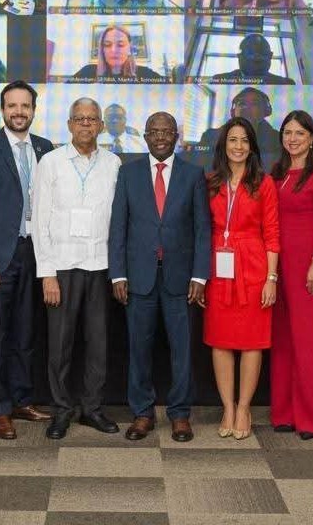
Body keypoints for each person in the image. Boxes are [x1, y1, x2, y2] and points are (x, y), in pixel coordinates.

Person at [109, 112, 211, 442]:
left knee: (182, 351)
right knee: (139, 349)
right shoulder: (128, 173)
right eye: (154, 131)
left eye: (167, 131)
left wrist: (200, 276)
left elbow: (202, 230)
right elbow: (118, 227)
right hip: (138, 278)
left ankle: (180, 414)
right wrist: (117, 274)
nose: (160, 137)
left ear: (176, 136)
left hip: (181, 279)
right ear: (145, 137)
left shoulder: (193, 174)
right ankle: (142, 413)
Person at [0, 81, 54, 440]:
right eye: (12, 106)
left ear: (33, 110)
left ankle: (21, 400)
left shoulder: (46, 149)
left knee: (25, 333)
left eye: (25, 106)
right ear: (2, 110)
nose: (19, 112)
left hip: (35, 253)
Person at [32, 98, 121, 439]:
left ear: (101, 126)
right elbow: (40, 220)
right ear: (69, 124)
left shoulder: (113, 163)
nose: (86, 124)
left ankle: (92, 409)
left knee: (98, 343)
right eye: (79, 119)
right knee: (60, 344)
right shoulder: (51, 163)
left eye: (92, 119)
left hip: (100, 265)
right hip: (62, 267)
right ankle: (61, 409)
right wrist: (47, 273)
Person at [203, 117, 278, 440]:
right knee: (220, 340)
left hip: (253, 267)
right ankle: (228, 407)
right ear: (223, 145)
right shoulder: (210, 182)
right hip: (217, 268)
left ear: (252, 147)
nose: (238, 146)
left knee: (251, 341)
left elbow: (272, 233)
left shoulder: (264, 183)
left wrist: (271, 278)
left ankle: (245, 407)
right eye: (233, 140)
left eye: (244, 140)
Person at [270, 110, 313, 440]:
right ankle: (285, 413)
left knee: (311, 343)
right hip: (279, 267)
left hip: (310, 267)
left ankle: (312, 419)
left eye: (300, 133)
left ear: (312, 137)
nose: (293, 138)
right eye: (288, 132)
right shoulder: (278, 171)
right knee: (284, 340)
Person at [194, 87, 282, 168]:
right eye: (241, 103)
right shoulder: (210, 136)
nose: (246, 107)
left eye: (254, 104)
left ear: (266, 111)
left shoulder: (278, 140)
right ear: (233, 111)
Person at [72, 25, 162, 82]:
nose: (113, 50)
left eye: (120, 45)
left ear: (129, 48)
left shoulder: (145, 73)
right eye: (107, 45)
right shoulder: (87, 72)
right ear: (102, 49)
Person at [209, 33, 296, 85]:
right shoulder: (219, 81)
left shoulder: (286, 84)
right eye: (251, 53)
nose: (256, 57)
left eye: (261, 53)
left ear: (270, 56)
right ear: (239, 57)